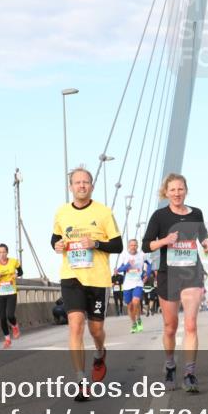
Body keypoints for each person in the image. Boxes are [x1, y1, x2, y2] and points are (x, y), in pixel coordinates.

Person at [52, 167, 123, 401]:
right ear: (70, 187)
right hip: (71, 276)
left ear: (91, 186)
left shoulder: (103, 212)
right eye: (77, 182)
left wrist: (96, 244)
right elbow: (55, 237)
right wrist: (57, 245)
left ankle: (100, 352)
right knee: (75, 325)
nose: (81, 186)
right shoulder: (62, 213)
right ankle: (81, 381)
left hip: (98, 279)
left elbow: (118, 245)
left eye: (86, 182)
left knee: (96, 330)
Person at [142, 173, 208, 393]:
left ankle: (190, 373)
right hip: (168, 275)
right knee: (170, 327)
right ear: (166, 192)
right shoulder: (159, 216)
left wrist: (207, 243)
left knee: (190, 325)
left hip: (191, 274)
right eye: (172, 190)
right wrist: (164, 240)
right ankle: (170, 365)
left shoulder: (196, 213)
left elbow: (203, 235)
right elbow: (146, 245)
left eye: (180, 189)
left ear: (186, 190)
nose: (177, 193)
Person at [116, 238, 152, 333]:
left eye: (135, 245)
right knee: (130, 306)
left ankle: (139, 319)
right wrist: (128, 265)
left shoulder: (142, 255)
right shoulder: (124, 255)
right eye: (131, 245)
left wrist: (147, 275)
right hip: (127, 284)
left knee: (136, 302)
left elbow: (150, 264)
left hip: (138, 282)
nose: (133, 247)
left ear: (137, 246)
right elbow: (119, 269)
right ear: (128, 246)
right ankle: (134, 323)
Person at [0, 243, 22, 348]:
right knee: (2, 318)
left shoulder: (13, 261)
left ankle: (15, 325)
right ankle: (7, 340)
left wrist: (16, 275)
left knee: (10, 315)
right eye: (0, 252)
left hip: (11, 292)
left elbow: (21, 271)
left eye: (4, 252)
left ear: (7, 252)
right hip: (0, 293)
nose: (2, 254)